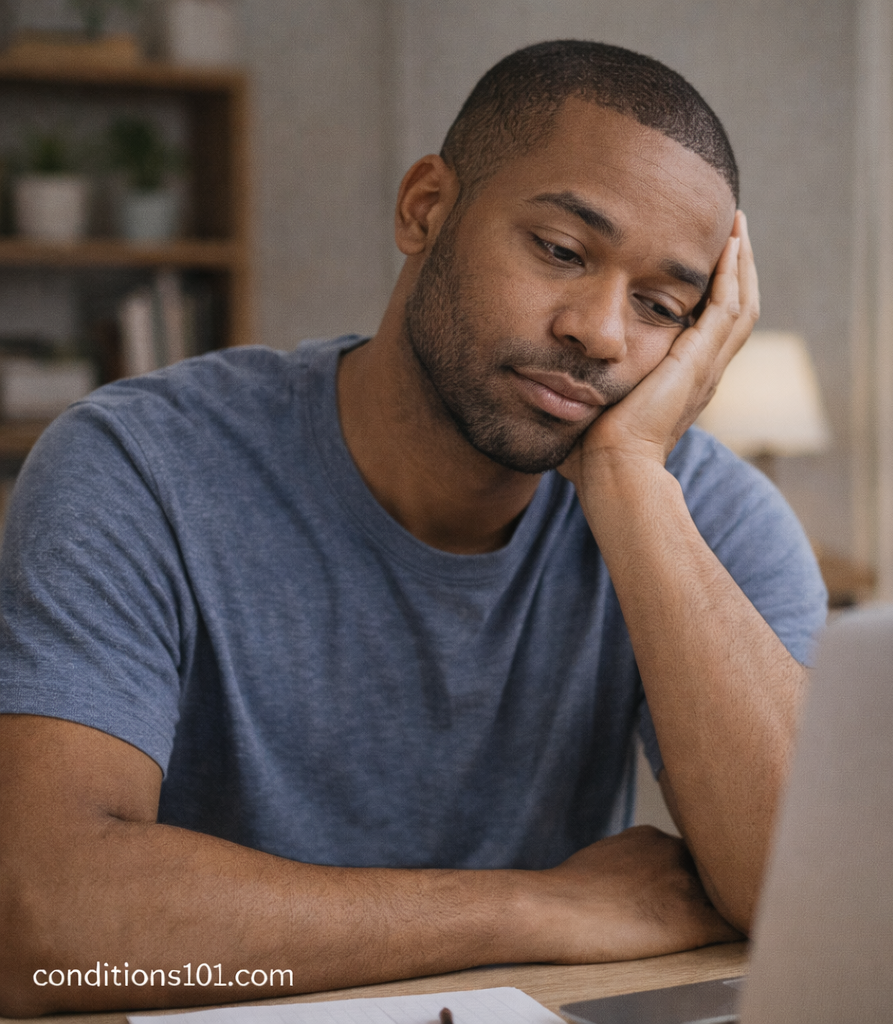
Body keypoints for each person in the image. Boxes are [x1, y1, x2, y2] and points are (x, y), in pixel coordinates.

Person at [0, 40, 826, 1016]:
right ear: (425, 208)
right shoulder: (140, 465)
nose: (601, 333)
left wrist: (627, 479)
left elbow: (806, 896)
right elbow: (43, 923)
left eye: (659, 305)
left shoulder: (693, 510)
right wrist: (539, 908)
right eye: (560, 250)